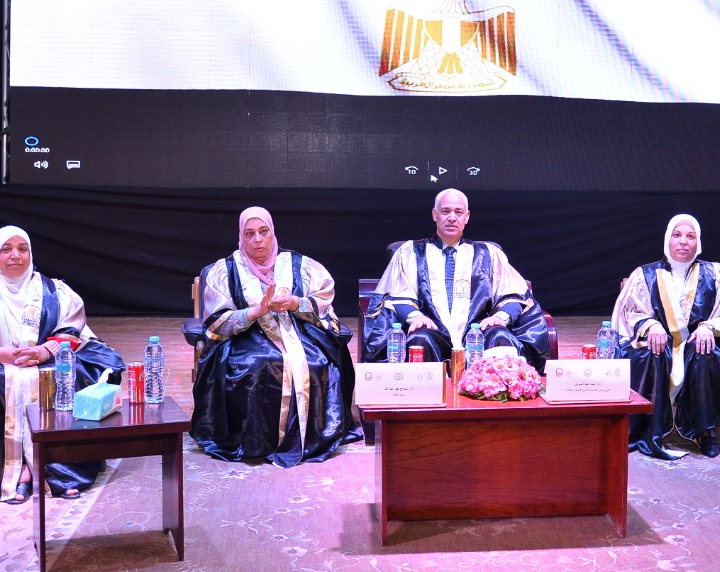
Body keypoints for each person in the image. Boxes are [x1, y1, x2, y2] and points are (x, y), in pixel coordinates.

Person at [0, 226, 120, 504]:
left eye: (22, 249)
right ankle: (7, 473)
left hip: (43, 359)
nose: (15, 255)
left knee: (64, 374)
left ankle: (55, 469)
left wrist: (45, 350)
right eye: (6, 249)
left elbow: (71, 328)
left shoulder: (54, 290)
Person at [191, 207, 358, 466]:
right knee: (257, 366)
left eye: (263, 232)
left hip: (299, 331)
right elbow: (217, 321)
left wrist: (294, 303)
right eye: (249, 234)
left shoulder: (299, 264)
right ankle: (257, 441)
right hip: (245, 337)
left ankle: (309, 437)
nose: (257, 239)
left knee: (316, 364)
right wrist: (254, 312)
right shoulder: (226, 270)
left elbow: (323, 299)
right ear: (241, 236)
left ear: (272, 233)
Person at [612, 214, 720, 459]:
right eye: (677, 235)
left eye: (690, 236)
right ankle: (651, 427)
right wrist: (650, 325)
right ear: (668, 239)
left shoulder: (716, 273)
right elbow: (630, 311)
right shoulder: (644, 275)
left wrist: (710, 327)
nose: (683, 241)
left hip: (700, 341)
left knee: (705, 353)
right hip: (659, 342)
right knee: (653, 353)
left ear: (698, 242)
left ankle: (706, 430)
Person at [363, 189, 551, 370]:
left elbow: (515, 295)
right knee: (419, 340)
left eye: (458, 212)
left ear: (466, 217)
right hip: (431, 330)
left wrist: (499, 317)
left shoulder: (489, 254)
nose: (452, 217)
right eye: (445, 211)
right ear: (435, 214)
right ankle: (424, 392)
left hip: (478, 333)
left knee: (500, 335)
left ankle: (493, 391)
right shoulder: (411, 252)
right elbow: (398, 295)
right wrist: (415, 316)